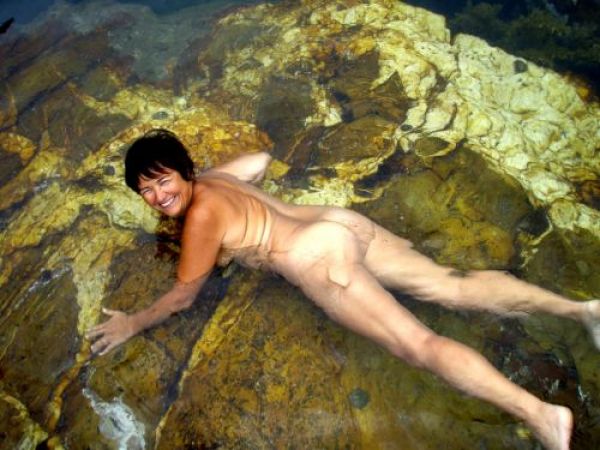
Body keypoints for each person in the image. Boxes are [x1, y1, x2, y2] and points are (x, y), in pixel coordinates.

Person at [87, 128, 600, 450]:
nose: (158, 197)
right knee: (451, 285)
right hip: (337, 222)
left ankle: (542, 416)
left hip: (317, 255)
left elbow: (183, 295)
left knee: (419, 345)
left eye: (163, 181)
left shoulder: (199, 218)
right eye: (146, 190)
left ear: (184, 171)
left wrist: (133, 322)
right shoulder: (217, 180)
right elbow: (261, 159)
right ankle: (581, 310)